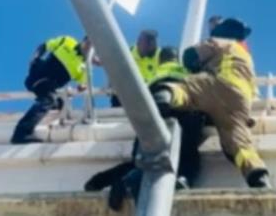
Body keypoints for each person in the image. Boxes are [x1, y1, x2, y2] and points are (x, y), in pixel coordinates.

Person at [152, 18, 271, 188]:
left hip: (217, 83)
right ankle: (257, 174)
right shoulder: (247, 58)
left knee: (187, 89)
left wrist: (195, 66)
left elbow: (190, 56)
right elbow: (253, 92)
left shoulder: (219, 41)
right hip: (240, 100)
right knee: (238, 141)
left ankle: (165, 97)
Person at [86, 46, 206, 210]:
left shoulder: (154, 74)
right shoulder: (187, 69)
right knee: (188, 151)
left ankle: (107, 181)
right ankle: (185, 178)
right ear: (177, 58)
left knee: (141, 159)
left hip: (154, 110)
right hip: (183, 107)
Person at [11, 35, 97, 144]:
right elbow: (44, 46)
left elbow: (82, 85)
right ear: (83, 40)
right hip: (40, 74)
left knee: (59, 103)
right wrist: (34, 58)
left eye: (92, 48)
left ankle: (43, 110)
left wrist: (82, 87)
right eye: (89, 43)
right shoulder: (68, 41)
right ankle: (21, 133)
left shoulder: (84, 67)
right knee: (49, 100)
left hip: (49, 86)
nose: (89, 48)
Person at [110, 29, 161, 107]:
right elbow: (116, 70)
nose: (152, 46)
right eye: (147, 42)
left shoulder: (161, 55)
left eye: (153, 43)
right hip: (129, 91)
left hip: (150, 92)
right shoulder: (127, 53)